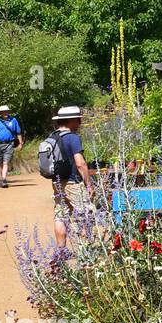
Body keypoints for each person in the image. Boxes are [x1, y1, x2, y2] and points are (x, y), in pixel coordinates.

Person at [50, 105, 95, 250]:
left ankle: (61, 251)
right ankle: (85, 251)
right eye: (78, 119)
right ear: (71, 121)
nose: (80, 123)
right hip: (73, 182)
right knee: (85, 214)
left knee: (60, 215)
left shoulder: (52, 137)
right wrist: (88, 184)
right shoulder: (73, 137)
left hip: (57, 182)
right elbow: (80, 163)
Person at [0, 105, 23, 188]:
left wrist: (20, 143)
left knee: (6, 162)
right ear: (0, 113)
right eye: (3, 111)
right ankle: (1, 179)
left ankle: (4, 179)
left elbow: (18, 132)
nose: (5, 113)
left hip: (9, 144)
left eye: (6, 111)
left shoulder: (13, 120)